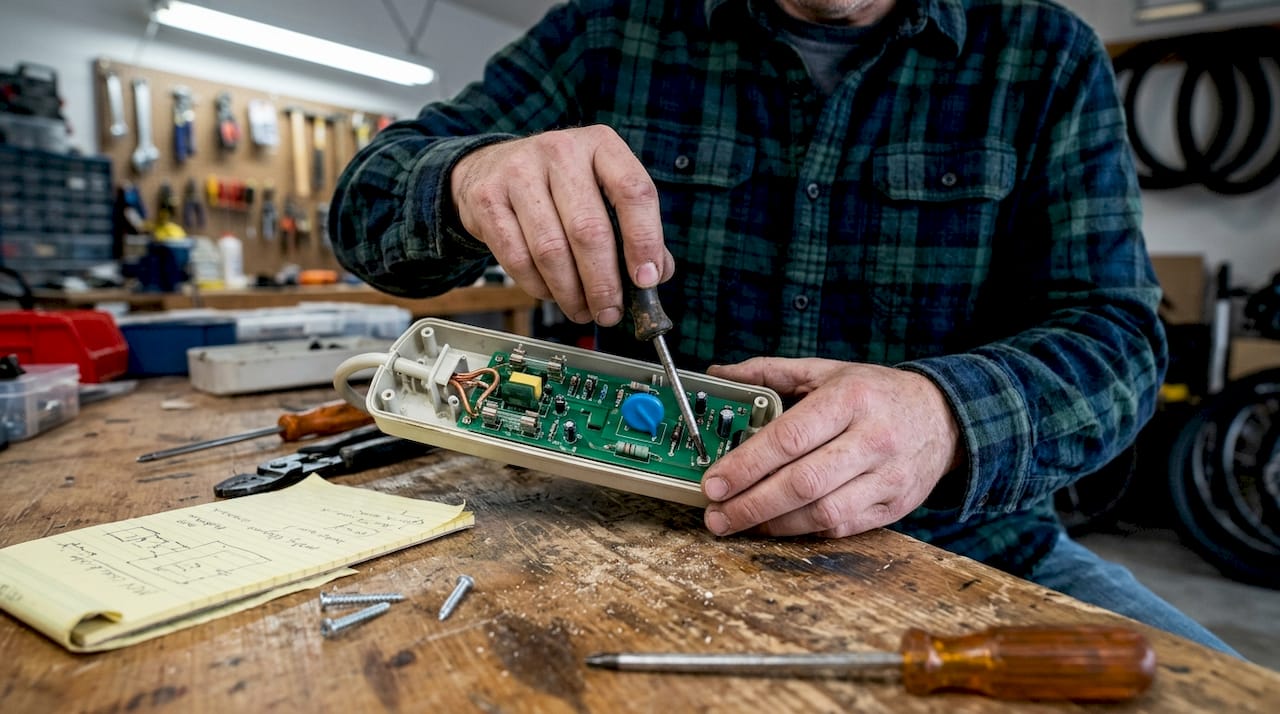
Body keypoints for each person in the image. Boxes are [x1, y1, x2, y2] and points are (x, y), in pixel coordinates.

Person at [331, 0, 1238, 655]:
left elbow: (1120, 341)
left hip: (972, 549)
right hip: (630, 536)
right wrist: (470, 177)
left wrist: (945, 415)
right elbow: (364, 206)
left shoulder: (1045, 53)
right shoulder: (607, 30)